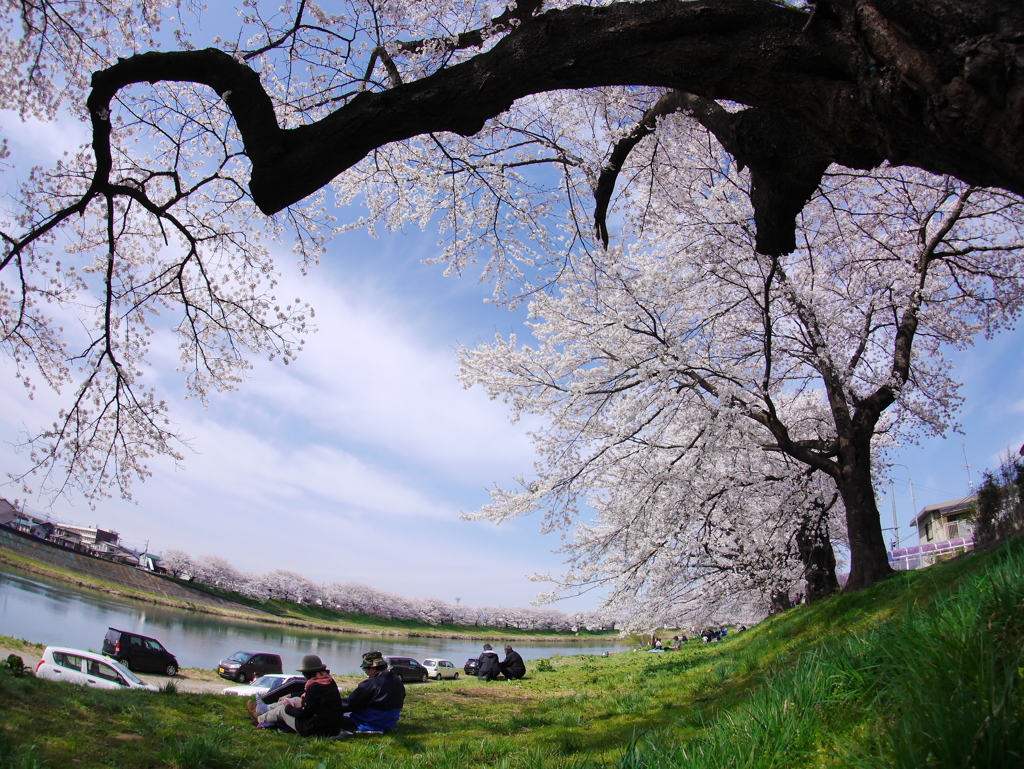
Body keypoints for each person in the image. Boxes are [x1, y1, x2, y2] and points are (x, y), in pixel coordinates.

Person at [248, 653, 343, 737]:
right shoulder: (328, 681)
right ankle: (265, 709)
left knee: (282, 710)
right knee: (296, 699)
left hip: (316, 729)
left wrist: (288, 707)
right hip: (331, 727)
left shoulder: (315, 687)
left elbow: (303, 714)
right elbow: (311, 697)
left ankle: (260, 718)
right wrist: (290, 695)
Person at [336, 650, 406, 733]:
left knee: (330, 717)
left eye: (365, 668)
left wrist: (331, 705)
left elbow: (351, 703)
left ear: (373, 669)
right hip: (389, 722)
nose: (365, 671)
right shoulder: (396, 680)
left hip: (371, 724)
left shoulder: (371, 684)